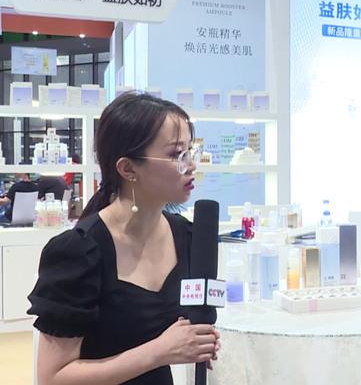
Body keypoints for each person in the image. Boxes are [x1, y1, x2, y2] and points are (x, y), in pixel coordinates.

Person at [27, 93, 219, 384]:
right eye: (176, 155)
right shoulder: (78, 252)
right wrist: (160, 351)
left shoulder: (184, 235)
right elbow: (53, 378)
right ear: (128, 169)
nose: (191, 165)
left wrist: (194, 339)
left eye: (190, 151)